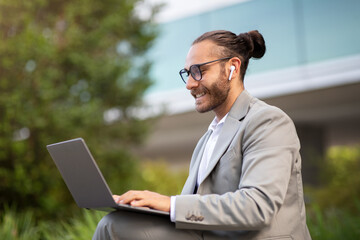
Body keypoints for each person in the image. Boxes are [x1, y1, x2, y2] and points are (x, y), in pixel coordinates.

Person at [92, 30, 312, 240]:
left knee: (113, 226)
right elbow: (198, 212)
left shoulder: (268, 121)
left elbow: (257, 206)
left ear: (232, 68)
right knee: (117, 223)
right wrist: (147, 208)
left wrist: (171, 204)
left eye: (199, 71)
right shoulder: (207, 139)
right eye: (187, 73)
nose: (189, 84)